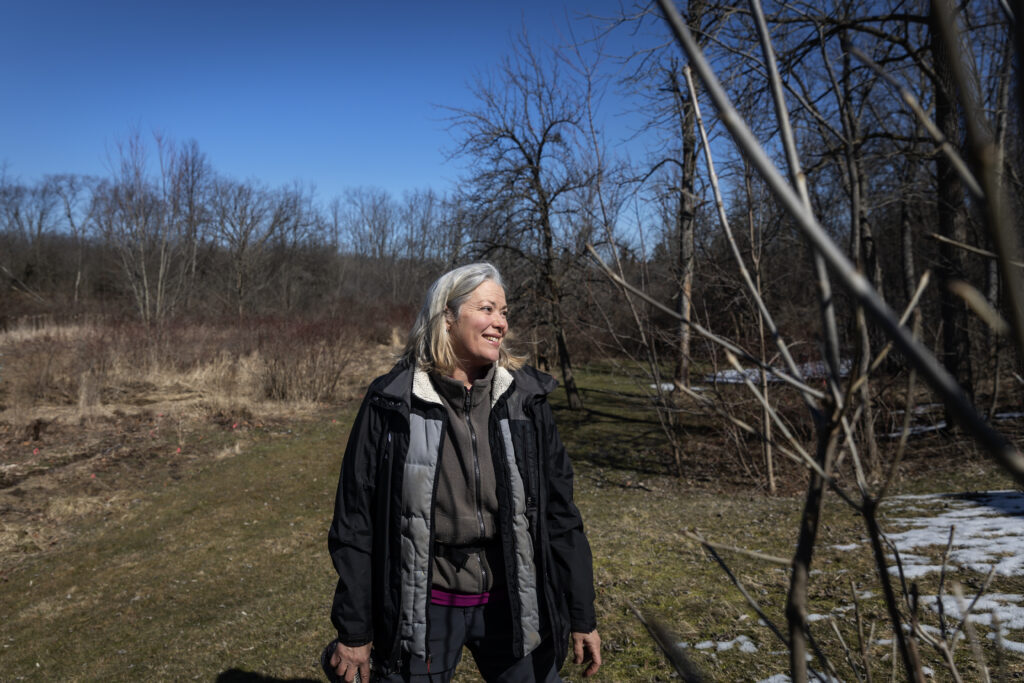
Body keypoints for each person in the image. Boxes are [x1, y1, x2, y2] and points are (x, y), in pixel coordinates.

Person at [326, 262, 601, 682]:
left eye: (504, 312)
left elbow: (561, 515)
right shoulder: (393, 401)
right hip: (422, 604)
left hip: (513, 599)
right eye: (487, 309)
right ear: (447, 317)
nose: (500, 324)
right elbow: (355, 519)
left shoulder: (525, 401)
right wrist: (354, 629)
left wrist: (582, 613)